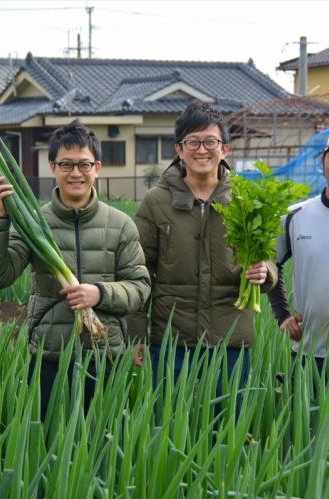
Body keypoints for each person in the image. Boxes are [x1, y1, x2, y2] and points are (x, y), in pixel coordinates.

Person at [0, 119, 151, 419]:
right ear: (52, 167)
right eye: (66, 164)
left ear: (97, 167)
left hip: (105, 354)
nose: (75, 173)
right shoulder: (30, 221)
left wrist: (99, 293)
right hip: (49, 355)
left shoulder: (121, 224)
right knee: (47, 444)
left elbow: (140, 287)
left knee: (102, 446)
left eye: (84, 165)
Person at [130, 102, 277, 401]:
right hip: (171, 339)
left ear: (224, 149)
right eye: (193, 142)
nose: (201, 150)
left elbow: (268, 257)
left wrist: (267, 271)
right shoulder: (155, 202)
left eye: (210, 142)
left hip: (231, 335)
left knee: (229, 430)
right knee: (169, 424)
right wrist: (136, 334)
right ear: (179, 149)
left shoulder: (246, 199)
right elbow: (138, 271)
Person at [268, 124, 329, 397]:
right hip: (308, 347)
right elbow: (270, 263)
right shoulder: (294, 215)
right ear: (322, 161)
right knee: (307, 430)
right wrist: (282, 315)